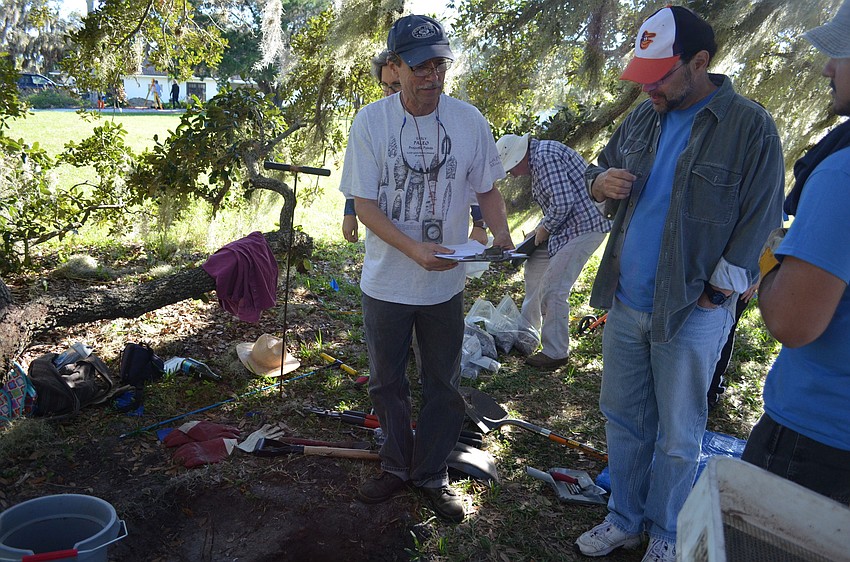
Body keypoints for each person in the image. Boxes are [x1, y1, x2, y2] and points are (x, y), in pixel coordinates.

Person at [574, 7, 784, 562]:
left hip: (692, 310)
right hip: (625, 300)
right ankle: (624, 517)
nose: (648, 88)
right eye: (641, 75)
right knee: (623, 415)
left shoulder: (748, 126)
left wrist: (717, 294)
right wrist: (599, 181)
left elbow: (762, 215)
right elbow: (605, 165)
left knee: (677, 433)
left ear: (700, 62)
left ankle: (666, 533)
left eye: (660, 75)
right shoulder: (645, 115)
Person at [340, 14, 513, 523]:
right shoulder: (371, 122)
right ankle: (395, 466)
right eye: (419, 66)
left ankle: (432, 473)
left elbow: (487, 189)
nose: (431, 76)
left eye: (439, 63)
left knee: (443, 382)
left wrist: (500, 235)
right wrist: (413, 250)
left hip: (445, 287)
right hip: (387, 284)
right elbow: (365, 205)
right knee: (386, 381)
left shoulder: (469, 121)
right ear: (394, 68)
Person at [741, 0, 850, 506]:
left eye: (842, 54)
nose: (828, 67)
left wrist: (766, 259)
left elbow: (792, 321)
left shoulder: (841, 174)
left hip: (817, 440)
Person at [342, 51, 488, 245]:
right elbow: (362, 181)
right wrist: (349, 212)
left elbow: (473, 181)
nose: (389, 93)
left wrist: (479, 223)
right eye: (384, 86)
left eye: (395, 86)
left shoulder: (459, 119)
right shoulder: (372, 120)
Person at [496, 133, 610, 368]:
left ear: (519, 158)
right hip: (567, 229)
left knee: (554, 287)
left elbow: (562, 202)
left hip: (584, 228)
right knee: (535, 267)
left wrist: (544, 229)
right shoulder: (540, 157)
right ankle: (527, 333)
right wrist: (539, 231)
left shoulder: (545, 157)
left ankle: (556, 352)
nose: (512, 174)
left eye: (511, 169)